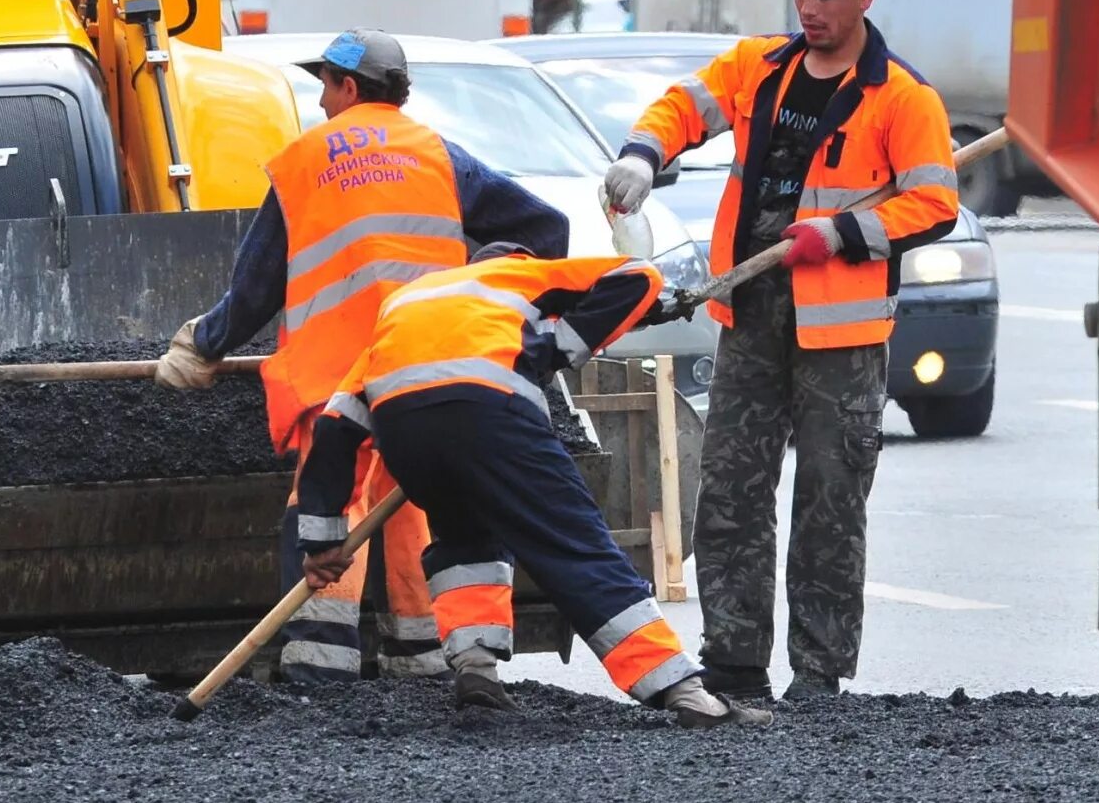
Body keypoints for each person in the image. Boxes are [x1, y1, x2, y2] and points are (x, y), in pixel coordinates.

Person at [603, 0, 957, 703]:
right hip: (753, 311)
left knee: (830, 503)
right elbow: (679, 109)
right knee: (730, 492)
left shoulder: (901, 96)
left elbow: (933, 204)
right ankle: (733, 661)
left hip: (841, 332)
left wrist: (842, 232)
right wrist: (641, 155)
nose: (811, 5)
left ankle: (819, 675)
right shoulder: (759, 68)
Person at [156, 29, 570, 685]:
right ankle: (423, 658)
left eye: (325, 85)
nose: (320, 100)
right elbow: (548, 230)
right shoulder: (440, 155)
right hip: (425, 372)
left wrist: (201, 346)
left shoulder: (304, 161)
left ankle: (322, 671)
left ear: (349, 86)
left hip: (338, 379)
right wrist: (488, 275)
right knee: (415, 505)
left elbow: (257, 288)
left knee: (334, 506)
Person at [295, 244, 769, 728]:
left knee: (463, 540)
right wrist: (556, 348)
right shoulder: (522, 275)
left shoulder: (411, 303)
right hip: (491, 413)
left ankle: (476, 672)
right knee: (573, 546)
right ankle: (685, 693)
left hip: (405, 431)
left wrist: (322, 542)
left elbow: (336, 427)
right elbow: (637, 275)